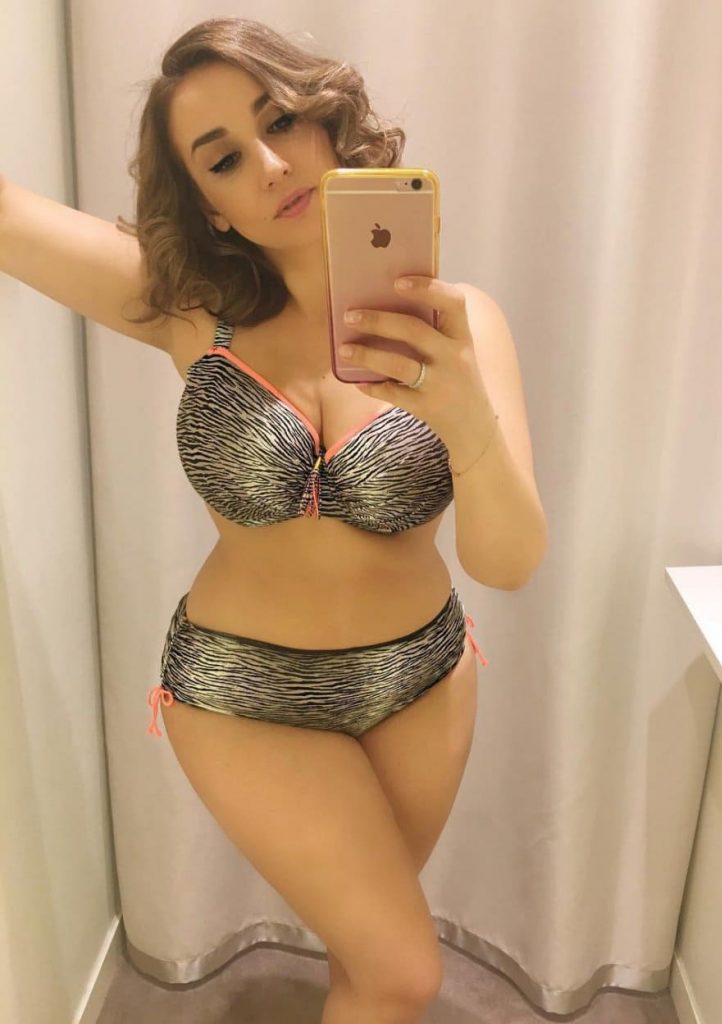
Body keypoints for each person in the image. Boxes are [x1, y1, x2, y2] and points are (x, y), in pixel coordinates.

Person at [0, 17, 547, 1023]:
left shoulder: (459, 324)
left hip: (420, 680)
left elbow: (508, 562)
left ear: (327, 120)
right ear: (207, 205)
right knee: (404, 970)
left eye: (282, 119)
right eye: (222, 158)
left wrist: (468, 423)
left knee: (367, 962)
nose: (268, 163)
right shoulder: (189, 314)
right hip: (241, 691)